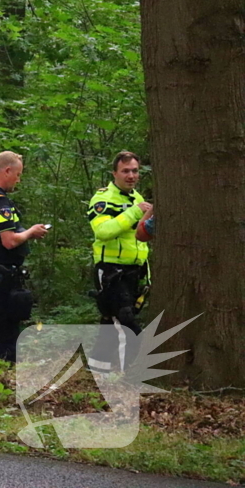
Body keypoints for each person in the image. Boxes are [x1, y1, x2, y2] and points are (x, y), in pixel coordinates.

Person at [0, 151, 50, 367]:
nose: (18, 180)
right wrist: (31, 232)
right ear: (7, 171)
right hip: (1, 275)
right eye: (18, 174)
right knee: (5, 330)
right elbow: (10, 240)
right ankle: (0, 375)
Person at [86, 151, 151, 373]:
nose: (131, 175)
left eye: (134, 171)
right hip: (111, 270)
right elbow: (103, 231)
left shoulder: (138, 198)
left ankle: (97, 369)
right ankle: (132, 373)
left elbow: (141, 239)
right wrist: (134, 213)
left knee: (110, 323)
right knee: (126, 322)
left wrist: (147, 273)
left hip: (134, 271)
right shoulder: (103, 198)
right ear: (115, 173)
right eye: (125, 171)